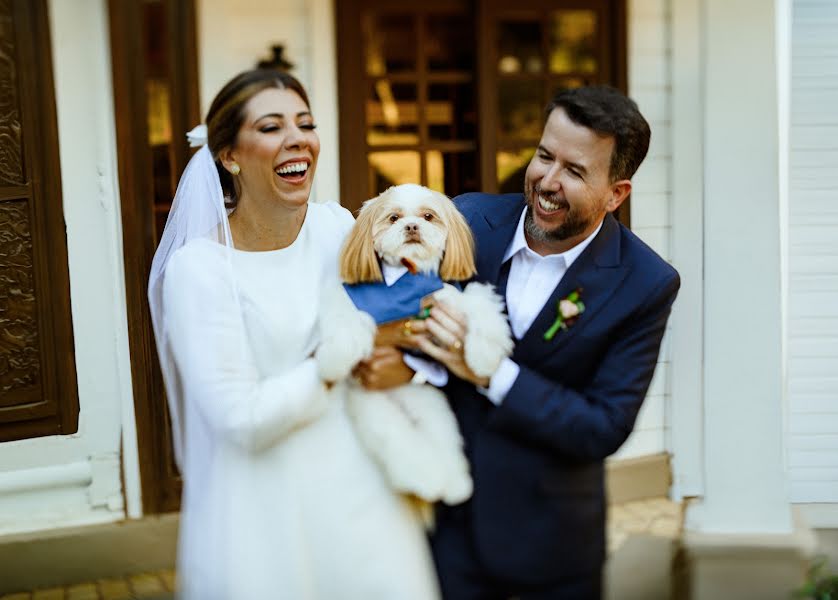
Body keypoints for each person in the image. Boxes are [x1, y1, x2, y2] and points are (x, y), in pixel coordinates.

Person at [361, 85, 680, 599]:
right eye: (543, 157)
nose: (547, 182)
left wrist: (491, 372)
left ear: (616, 193)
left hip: (549, 551)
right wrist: (418, 366)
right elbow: (395, 323)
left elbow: (602, 427)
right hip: (441, 526)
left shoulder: (644, 283)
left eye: (574, 171)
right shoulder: (462, 219)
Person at [147, 69, 440, 600]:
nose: (297, 138)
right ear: (229, 156)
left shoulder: (338, 228)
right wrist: (344, 357)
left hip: (362, 492)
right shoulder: (199, 271)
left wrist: (410, 363)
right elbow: (240, 419)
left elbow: (402, 317)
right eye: (271, 126)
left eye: (305, 123)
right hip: (269, 507)